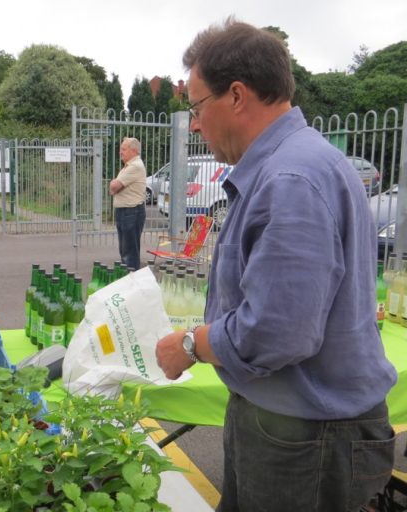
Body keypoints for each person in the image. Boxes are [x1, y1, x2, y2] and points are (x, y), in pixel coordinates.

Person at [155, 18, 396, 512]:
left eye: (197, 106)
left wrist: (190, 344)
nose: (195, 123)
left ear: (238, 96)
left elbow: (277, 332)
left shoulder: (290, 178)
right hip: (294, 427)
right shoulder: (298, 163)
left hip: (305, 439)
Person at [109, 137, 146, 270]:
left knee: (129, 253)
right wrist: (116, 185)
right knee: (125, 250)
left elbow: (113, 187)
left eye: (123, 149)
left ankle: (132, 279)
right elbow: (114, 187)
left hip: (131, 212)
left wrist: (116, 185)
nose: (120, 152)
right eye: (120, 149)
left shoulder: (135, 166)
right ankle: (129, 279)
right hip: (126, 212)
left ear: (134, 151)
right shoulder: (129, 166)